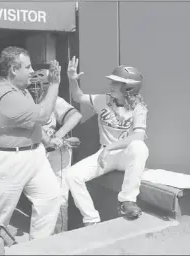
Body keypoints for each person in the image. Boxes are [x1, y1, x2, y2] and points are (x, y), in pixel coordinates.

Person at [0, 46, 61, 240]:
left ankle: (37, 248)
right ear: (13, 69)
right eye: (28, 67)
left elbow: (31, 124)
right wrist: (55, 83)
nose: (32, 71)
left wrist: (48, 140)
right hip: (4, 159)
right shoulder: (5, 94)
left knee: (50, 197)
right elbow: (43, 115)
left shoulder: (21, 90)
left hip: (34, 155)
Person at [65, 56, 149, 226]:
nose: (111, 85)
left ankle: (127, 201)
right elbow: (78, 96)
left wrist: (110, 147)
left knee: (139, 147)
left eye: (116, 83)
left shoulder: (139, 108)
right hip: (105, 156)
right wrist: (72, 80)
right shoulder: (102, 100)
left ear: (128, 88)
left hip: (124, 154)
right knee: (72, 175)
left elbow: (138, 136)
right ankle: (91, 219)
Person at [28, 69, 82, 233]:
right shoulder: (25, 101)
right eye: (33, 85)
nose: (35, 89)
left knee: (59, 197)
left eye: (41, 84)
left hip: (55, 153)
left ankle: (59, 236)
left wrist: (58, 135)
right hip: (37, 152)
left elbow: (76, 116)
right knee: (42, 198)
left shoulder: (54, 100)